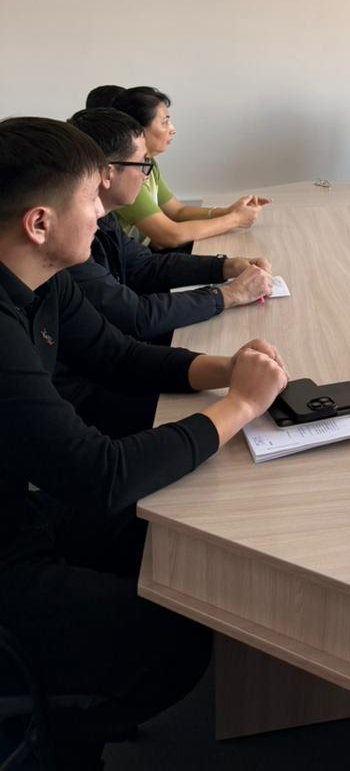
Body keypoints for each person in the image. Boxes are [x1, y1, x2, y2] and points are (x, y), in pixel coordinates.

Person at [0, 117, 287, 769]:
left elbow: (120, 356)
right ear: (39, 223)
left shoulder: (45, 278)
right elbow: (98, 474)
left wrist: (227, 369)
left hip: (27, 508)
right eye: (91, 200)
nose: (106, 214)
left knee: (164, 536)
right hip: (8, 548)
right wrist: (241, 406)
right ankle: (61, 740)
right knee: (177, 637)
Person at [65, 107, 274, 339]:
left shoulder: (105, 217)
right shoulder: (71, 240)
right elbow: (134, 316)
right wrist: (231, 294)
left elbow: (144, 266)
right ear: (107, 174)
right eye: (142, 163)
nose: (146, 175)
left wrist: (226, 266)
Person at [107, 86, 270, 248]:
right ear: (138, 130)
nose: (172, 129)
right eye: (165, 122)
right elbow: (169, 235)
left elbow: (178, 212)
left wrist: (228, 211)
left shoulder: (149, 163)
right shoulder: (126, 175)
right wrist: (235, 219)